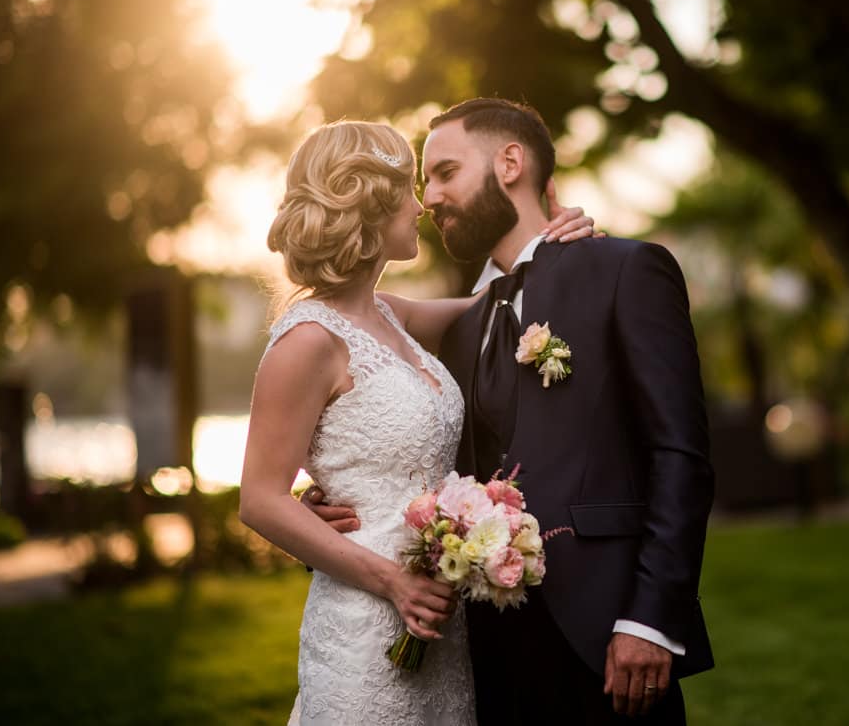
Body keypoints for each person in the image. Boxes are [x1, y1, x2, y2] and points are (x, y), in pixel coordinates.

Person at [308, 99, 715, 724]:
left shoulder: (623, 270)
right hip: (483, 654)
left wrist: (652, 621)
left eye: (445, 171)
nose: (429, 198)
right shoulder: (452, 326)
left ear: (510, 162)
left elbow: (679, 455)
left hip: (609, 634)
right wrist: (326, 500)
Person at [238, 119, 597, 726]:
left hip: (443, 618)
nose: (422, 204)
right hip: (366, 620)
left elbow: (500, 302)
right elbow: (259, 500)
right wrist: (392, 583)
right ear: (368, 206)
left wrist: (554, 235)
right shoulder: (306, 342)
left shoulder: (392, 315)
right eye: (408, 188)